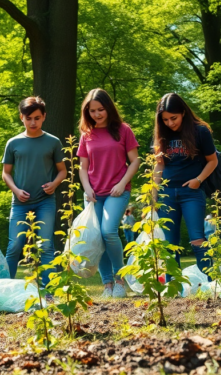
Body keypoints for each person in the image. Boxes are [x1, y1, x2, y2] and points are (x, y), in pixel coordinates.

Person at [77, 89, 140, 298]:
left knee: (108, 231)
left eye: (101, 109)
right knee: (98, 238)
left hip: (117, 191)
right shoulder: (86, 135)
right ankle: (108, 285)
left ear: (109, 108)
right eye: (92, 110)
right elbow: (82, 167)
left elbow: (135, 161)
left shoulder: (123, 130)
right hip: (94, 193)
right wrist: (87, 188)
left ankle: (120, 280)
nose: (97, 114)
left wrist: (122, 184)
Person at [3, 97, 66, 291]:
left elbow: (62, 171)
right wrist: (16, 190)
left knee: (46, 246)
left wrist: (54, 184)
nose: (33, 122)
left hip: (45, 202)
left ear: (44, 117)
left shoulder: (53, 142)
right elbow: (6, 173)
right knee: (14, 246)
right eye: (28, 118)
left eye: (37, 118)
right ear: (21, 117)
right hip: (20, 203)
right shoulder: (13, 143)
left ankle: (49, 292)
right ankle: (5, 289)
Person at [153, 93, 218, 277]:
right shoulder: (161, 133)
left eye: (173, 118)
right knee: (169, 242)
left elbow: (212, 161)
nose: (170, 123)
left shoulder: (200, 131)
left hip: (192, 192)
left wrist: (198, 180)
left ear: (183, 112)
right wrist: (154, 193)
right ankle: (173, 287)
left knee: (197, 238)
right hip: (167, 193)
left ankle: (209, 282)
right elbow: (159, 164)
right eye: (165, 120)